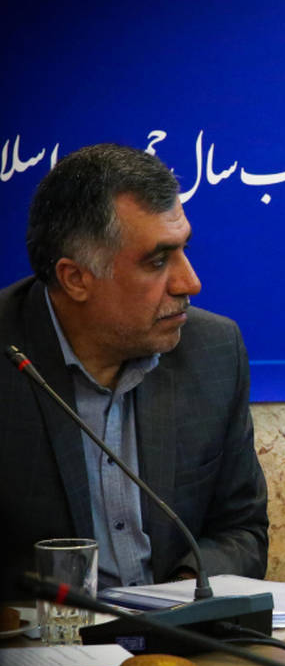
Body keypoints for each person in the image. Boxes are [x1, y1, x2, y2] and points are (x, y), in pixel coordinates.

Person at [0, 143, 268, 600]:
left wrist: (181, 597)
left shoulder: (213, 350)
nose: (190, 282)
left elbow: (241, 529)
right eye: (157, 261)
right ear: (75, 278)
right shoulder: (12, 355)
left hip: (175, 633)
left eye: (184, 250)